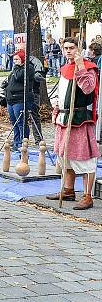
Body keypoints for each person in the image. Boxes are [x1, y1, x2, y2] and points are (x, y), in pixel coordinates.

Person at [46, 38, 99, 210]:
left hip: (79, 120)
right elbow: (62, 94)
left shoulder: (89, 68)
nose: (68, 51)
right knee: (65, 157)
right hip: (64, 119)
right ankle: (68, 190)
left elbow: (89, 89)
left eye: (72, 48)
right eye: (65, 48)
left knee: (84, 159)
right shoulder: (64, 69)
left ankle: (87, 196)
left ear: (79, 49)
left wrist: (80, 66)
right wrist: (56, 109)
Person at [1, 49, 39, 151]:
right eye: (14, 59)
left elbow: (18, 77)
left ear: (22, 59)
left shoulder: (28, 68)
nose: (15, 61)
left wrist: (16, 68)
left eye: (17, 59)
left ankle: (23, 142)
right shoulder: (16, 69)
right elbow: (10, 80)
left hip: (20, 99)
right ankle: (17, 141)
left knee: (21, 122)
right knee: (14, 122)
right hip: (11, 100)